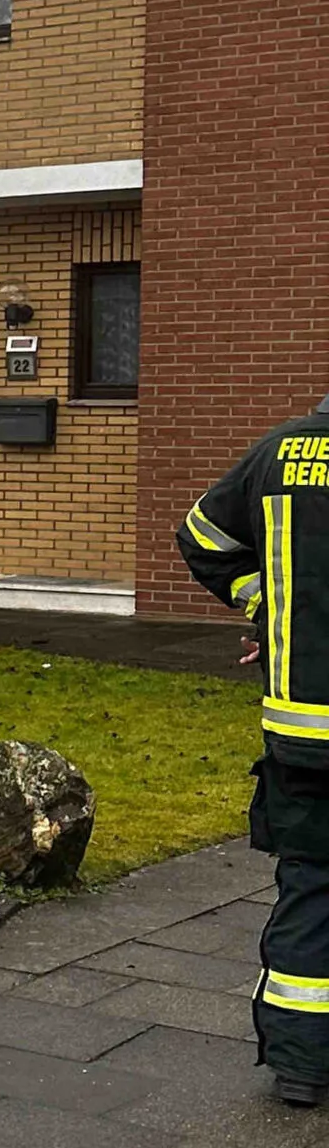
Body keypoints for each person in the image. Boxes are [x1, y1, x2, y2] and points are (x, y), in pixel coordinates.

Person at [179, 391, 329, 1107]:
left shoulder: (280, 454)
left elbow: (202, 537)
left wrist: (263, 603)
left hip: (302, 733)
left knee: (310, 887)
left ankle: (300, 1064)